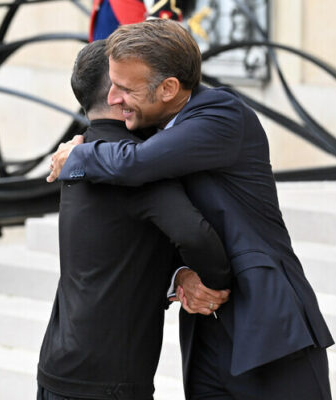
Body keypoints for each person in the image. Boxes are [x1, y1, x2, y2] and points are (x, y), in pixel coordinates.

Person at [47, 19, 334, 400]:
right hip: (205, 330)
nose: (113, 98)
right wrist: (180, 273)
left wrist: (78, 155)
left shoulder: (221, 114)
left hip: (268, 322)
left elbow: (137, 164)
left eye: (125, 88)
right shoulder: (152, 128)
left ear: (168, 88)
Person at [37, 40, 231, 400]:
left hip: (57, 367)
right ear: (117, 94)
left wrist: (178, 275)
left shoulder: (77, 152)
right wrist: (216, 285)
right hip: (108, 381)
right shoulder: (134, 165)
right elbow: (195, 235)